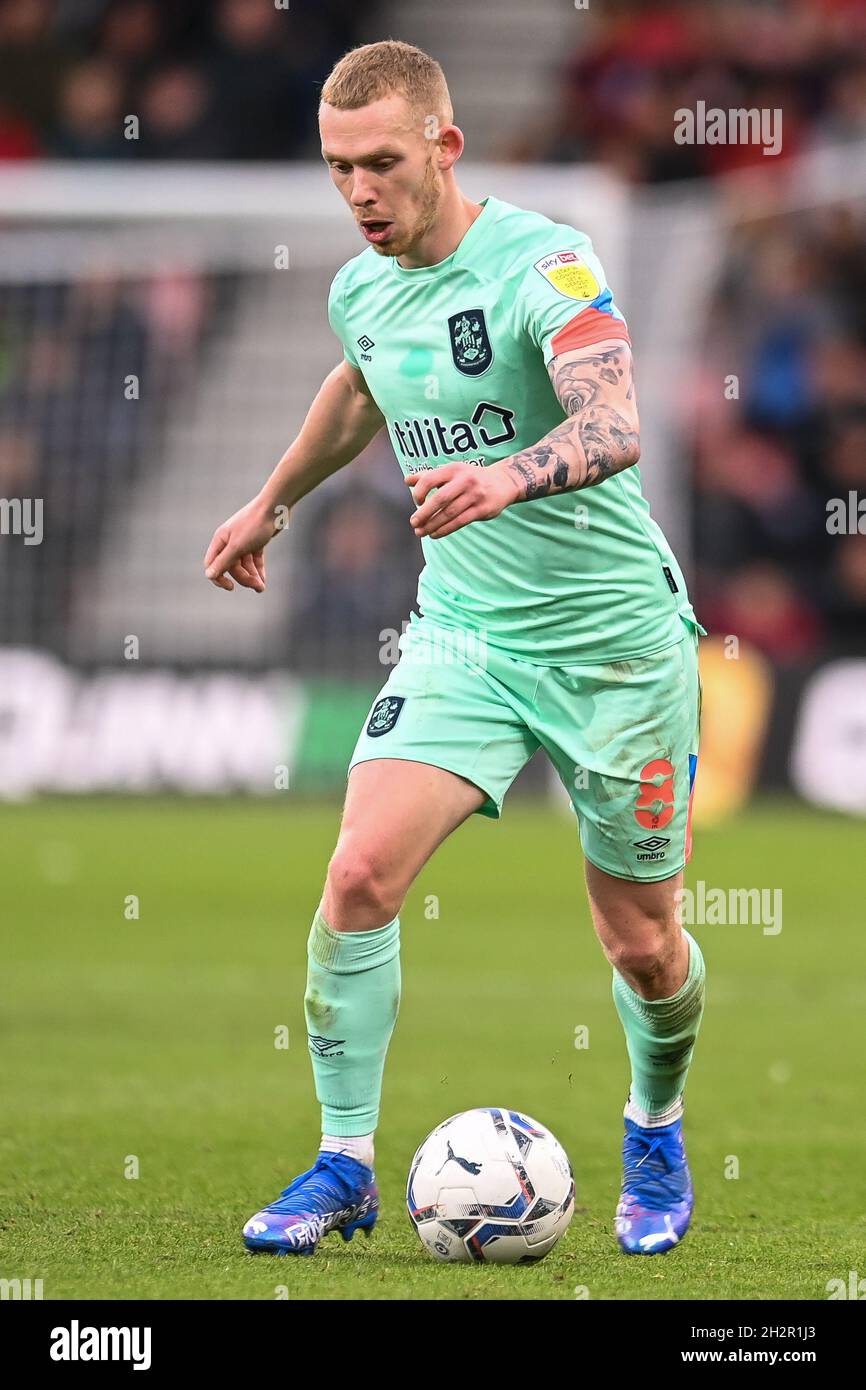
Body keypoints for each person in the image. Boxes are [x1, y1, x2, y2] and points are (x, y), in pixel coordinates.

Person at [203, 39, 706, 1259]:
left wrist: (504, 477)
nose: (360, 191)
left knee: (640, 943)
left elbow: (615, 419)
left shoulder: (546, 262)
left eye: (382, 162)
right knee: (357, 877)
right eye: (337, 170)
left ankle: (654, 1120)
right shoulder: (360, 287)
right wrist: (273, 499)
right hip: (465, 638)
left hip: (613, 653)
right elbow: (359, 389)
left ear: (445, 145)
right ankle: (343, 1163)